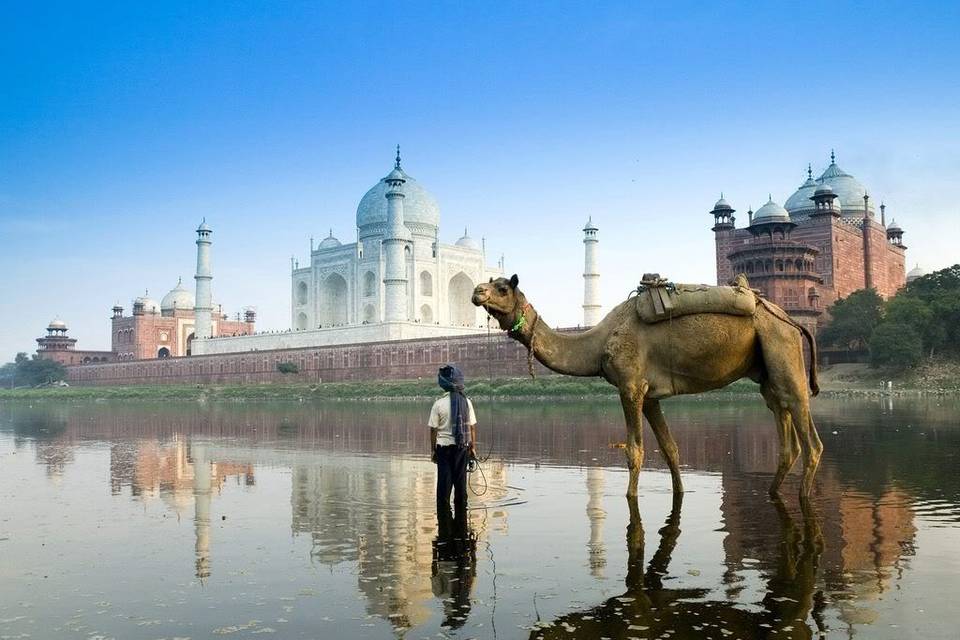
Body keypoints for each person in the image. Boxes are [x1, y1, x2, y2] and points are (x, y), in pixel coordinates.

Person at [428, 364, 477, 514]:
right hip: (462, 448)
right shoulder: (466, 403)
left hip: (444, 449)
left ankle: (444, 523)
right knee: (461, 485)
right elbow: (472, 427)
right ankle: (461, 528)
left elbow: (433, 430)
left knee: (444, 485)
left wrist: (433, 450)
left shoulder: (438, 404)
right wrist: (472, 448)